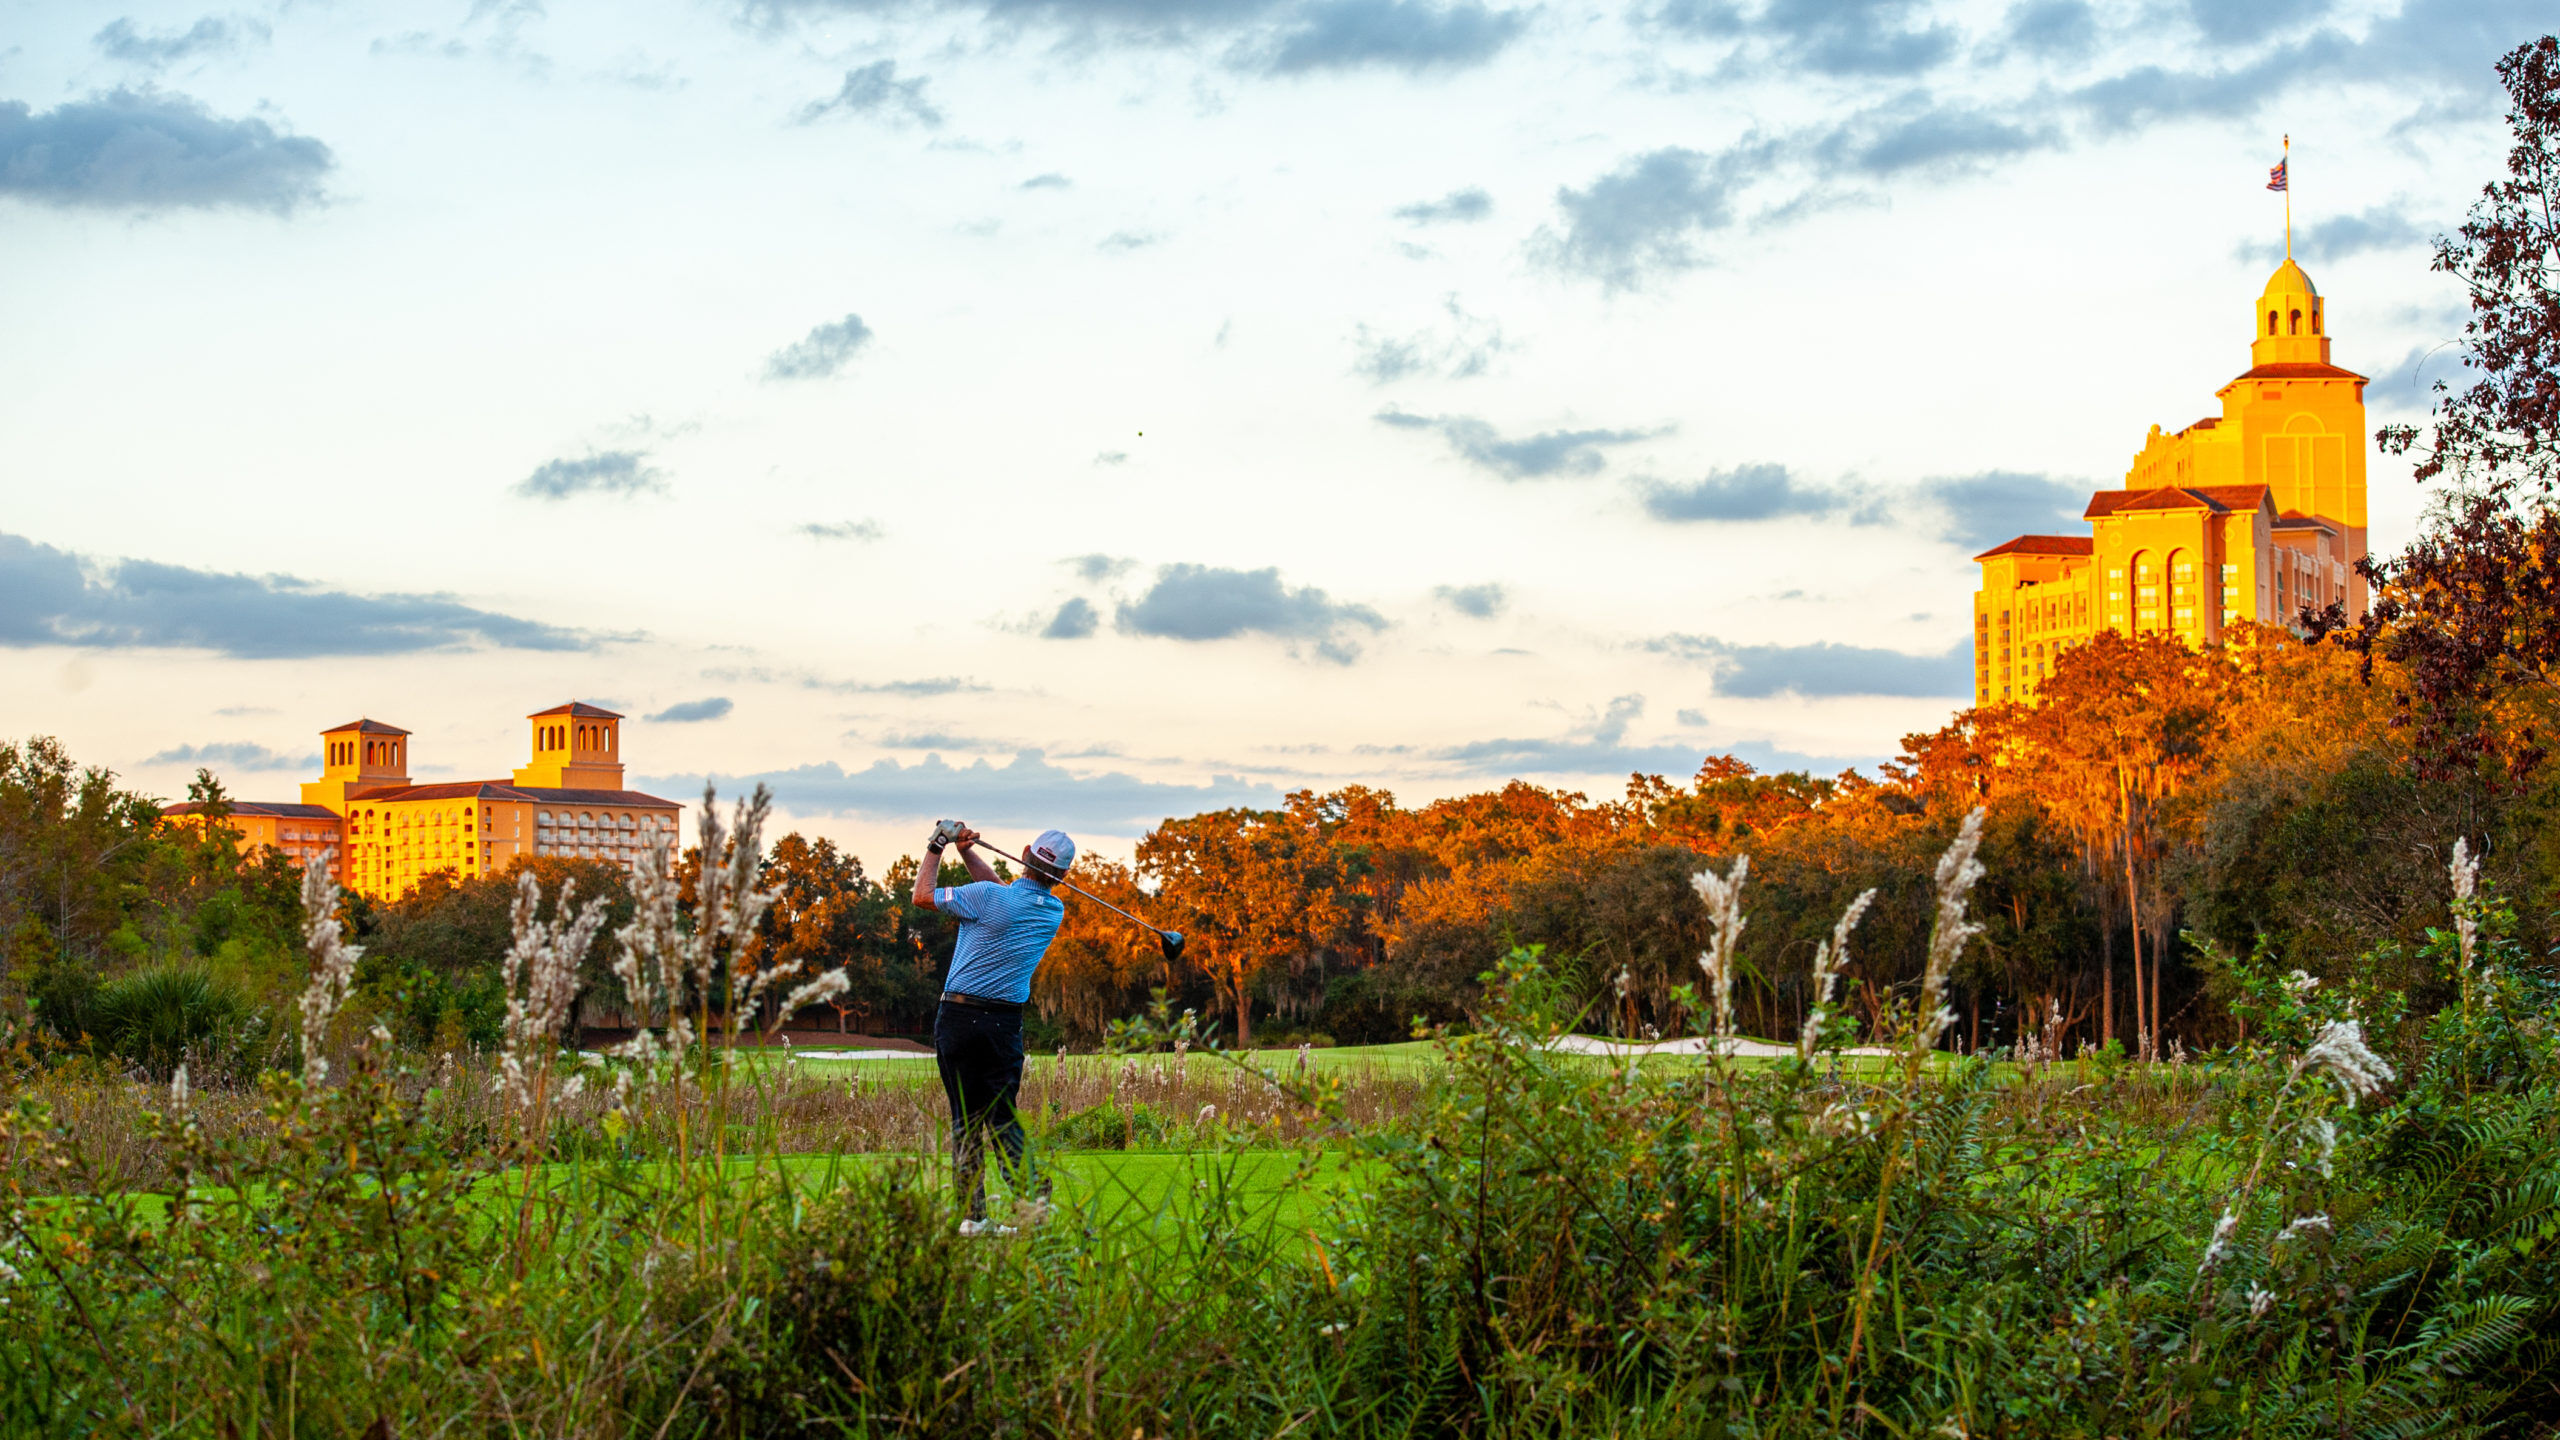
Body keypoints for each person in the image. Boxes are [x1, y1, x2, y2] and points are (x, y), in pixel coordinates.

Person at [911, 821, 1074, 1236]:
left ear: (1024, 853)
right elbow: (1006, 895)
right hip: (1004, 1025)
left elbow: (922, 896)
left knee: (966, 1119)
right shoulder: (1052, 911)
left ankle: (973, 1216)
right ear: (1064, 877)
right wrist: (967, 853)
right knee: (1001, 1116)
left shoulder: (986, 898)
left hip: (960, 1020)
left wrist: (938, 846)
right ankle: (1030, 1199)